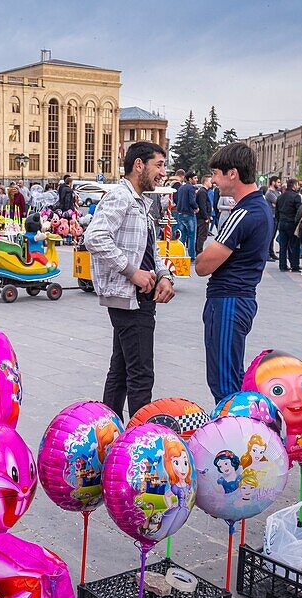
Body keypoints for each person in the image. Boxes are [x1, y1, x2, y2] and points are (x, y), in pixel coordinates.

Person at [83, 140, 174, 420]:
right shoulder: (121, 197)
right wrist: (132, 271)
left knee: (121, 371)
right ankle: (138, 441)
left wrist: (164, 275)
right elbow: (95, 237)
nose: (163, 172)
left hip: (140, 296)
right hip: (131, 298)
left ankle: (110, 434)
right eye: (158, 165)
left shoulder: (140, 202)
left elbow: (150, 249)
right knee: (141, 376)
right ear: (139, 165)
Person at [194, 143, 274, 403]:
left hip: (229, 300)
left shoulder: (244, 213)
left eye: (216, 173)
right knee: (228, 375)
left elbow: (203, 266)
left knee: (224, 382)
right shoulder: (258, 207)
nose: (213, 180)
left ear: (233, 174)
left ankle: (236, 436)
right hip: (237, 298)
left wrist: (203, 254)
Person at [276, 178, 302, 272]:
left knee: (283, 246)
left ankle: (282, 265)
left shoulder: (280, 196)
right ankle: (294, 265)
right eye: (297, 185)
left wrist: (279, 220)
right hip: (292, 223)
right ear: (294, 186)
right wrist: (297, 221)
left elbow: (277, 211)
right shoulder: (296, 196)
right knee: (294, 245)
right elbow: (299, 210)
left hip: (282, 222)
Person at [175, 171, 199, 259]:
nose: (196, 180)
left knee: (182, 236)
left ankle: (181, 254)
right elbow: (192, 201)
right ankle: (192, 256)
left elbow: (177, 200)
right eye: (195, 178)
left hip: (180, 213)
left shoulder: (181, 188)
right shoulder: (191, 188)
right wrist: (196, 208)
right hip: (189, 214)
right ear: (190, 179)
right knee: (192, 236)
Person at [264, 175, 281, 260]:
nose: (279, 184)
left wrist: (276, 205)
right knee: (269, 236)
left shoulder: (277, 192)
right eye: (278, 182)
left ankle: (271, 252)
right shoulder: (270, 193)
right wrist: (276, 204)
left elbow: (279, 202)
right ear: (273, 182)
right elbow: (278, 202)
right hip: (271, 216)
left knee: (273, 236)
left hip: (276, 215)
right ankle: (266, 254)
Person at [195, 175, 214, 254]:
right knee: (202, 235)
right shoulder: (202, 192)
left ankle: (198, 250)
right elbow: (202, 205)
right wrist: (206, 217)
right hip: (202, 218)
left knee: (201, 235)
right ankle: (199, 251)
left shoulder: (203, 192)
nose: (211, 183)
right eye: (210, 181)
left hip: (202, 217)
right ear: (205, 182)